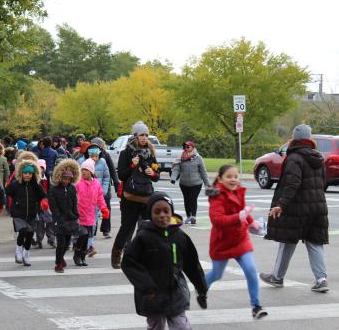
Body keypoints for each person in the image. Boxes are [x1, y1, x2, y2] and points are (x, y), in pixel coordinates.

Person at [121, 192, 208, 330]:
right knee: (157, 326)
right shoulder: (143, 237)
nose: (162, 215)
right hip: (152, 295)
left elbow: (192, 264)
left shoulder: (180, 237)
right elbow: (129, 263)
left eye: (166, 211)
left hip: (175, 292)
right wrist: (146, 286)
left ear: (172, 213)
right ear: (150, 214)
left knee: (181, 326)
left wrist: (201, 288)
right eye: (157, 212)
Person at [259, 124, 330, 293]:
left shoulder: (294, 158)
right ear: (310, 139)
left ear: (294, 139)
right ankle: (321, 279)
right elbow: (323, 182)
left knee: (287, 241)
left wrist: (281, 204)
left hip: (298, 207)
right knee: (314, 242)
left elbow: (292, 183)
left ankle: (276, 277)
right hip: (318, 206)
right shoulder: (318, 157)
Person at [205, 164, 267, 319]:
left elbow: (242, 210)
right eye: (229, 176)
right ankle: (202, 289)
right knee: (216, 274)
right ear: (220, 179)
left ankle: (256, 306)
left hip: (240, 239)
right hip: (222, 242)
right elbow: (217, 220)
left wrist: (252, 222)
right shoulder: (216, 196)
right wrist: (239, 217)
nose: (233, 180)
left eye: (236, 176)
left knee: (251, 270)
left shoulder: (238, 192)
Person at [111, 121, 160, 269]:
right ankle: (116, 255)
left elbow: (156, 176)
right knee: (126, 228)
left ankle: (142, 256)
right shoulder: (126, 153)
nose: (144, 138)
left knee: (147, 229)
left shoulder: (150, 153)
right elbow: (122, 175)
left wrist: (153, 173)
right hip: (130, 196)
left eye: (146, 135)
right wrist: (132, 165)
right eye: (141, 135)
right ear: (135, 136)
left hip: (146, 196)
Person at [5, 159, 48, 266]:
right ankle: (18, 250)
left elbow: (43, 195)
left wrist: (43, 201)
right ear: (21, 173)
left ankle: (26, 253)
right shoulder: (16, 184)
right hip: (18, 213)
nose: (27, 175)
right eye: (25, 173)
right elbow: (6, 191)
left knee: (29, 234)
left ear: (33, 174)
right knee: (23, 231)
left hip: (32, 214)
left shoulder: (36, 185)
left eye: (30, 173)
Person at [74, 159, 110, 266]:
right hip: (79, 214)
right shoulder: (78, 183)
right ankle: (77, 254)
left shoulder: (96, 184)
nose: (84, 172)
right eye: (82, 170)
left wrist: (104, 209)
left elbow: (100, 198)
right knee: (83, 235)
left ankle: (82, 256)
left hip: (90, 215)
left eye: (86, 170)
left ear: (91, 172)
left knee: (88, 237)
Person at [48, 159, 81, 273]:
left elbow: (74, 203)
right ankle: (58, 264)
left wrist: (76, 214)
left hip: (70, 219)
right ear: (59, 177)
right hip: (60, 220)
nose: (66, 181)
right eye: (64, 178)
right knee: (61, 243)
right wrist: (58, 217)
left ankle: (61, 257)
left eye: (68, 178)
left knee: (67, 244)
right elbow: (53, 206)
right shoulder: (54, 190)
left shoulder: (72, 188)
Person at [170, 141, 210, 225]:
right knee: (186, 199)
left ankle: (193, 216)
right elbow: (176, 169)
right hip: (184, 183)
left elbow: (203, 172)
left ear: (192, 147)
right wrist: (173, 178)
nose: (186, 148)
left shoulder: (198, 158)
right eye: (185, 147)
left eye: (188, 147)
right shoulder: (180, 157)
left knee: (193, 199)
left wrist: (207, 184)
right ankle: (188, 216)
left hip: (196, 183)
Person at [91, 137, 119, 238]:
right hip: (92, 186)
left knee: (106, 207)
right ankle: (92, 230)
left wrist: (116, 184)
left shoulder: (106, 155)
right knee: (93, 208)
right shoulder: (88, 155)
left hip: (105, 186)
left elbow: (112, 170)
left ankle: (106, 229)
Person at [34, 159, 56, 249]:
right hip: (38, 204)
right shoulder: (34, 178)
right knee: (39, 223)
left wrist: (48, 199)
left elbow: (51, 190)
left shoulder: (48, 177)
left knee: (50, 222)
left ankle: (51, 240)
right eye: (39, 167)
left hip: (48, 203)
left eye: (42, 167)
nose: (40, 169)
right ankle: (39, 240)